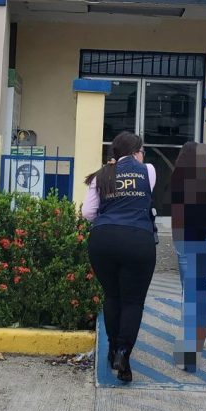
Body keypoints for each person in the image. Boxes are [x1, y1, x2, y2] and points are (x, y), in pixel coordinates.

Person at [82, 131, 157, 383]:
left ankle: (113, 348)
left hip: (103, 239)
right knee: (133, 302)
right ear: (136, 152)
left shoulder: (101, 175)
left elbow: (88, 213)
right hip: (138, 239)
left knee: (112, 296)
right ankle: (123, 354)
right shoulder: (148, 171)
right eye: (142, 151)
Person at [170, 142, 206, 372]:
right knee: (202, 288)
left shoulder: (177, 180)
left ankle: (189, 352)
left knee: (191, 293)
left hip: (188, 242)